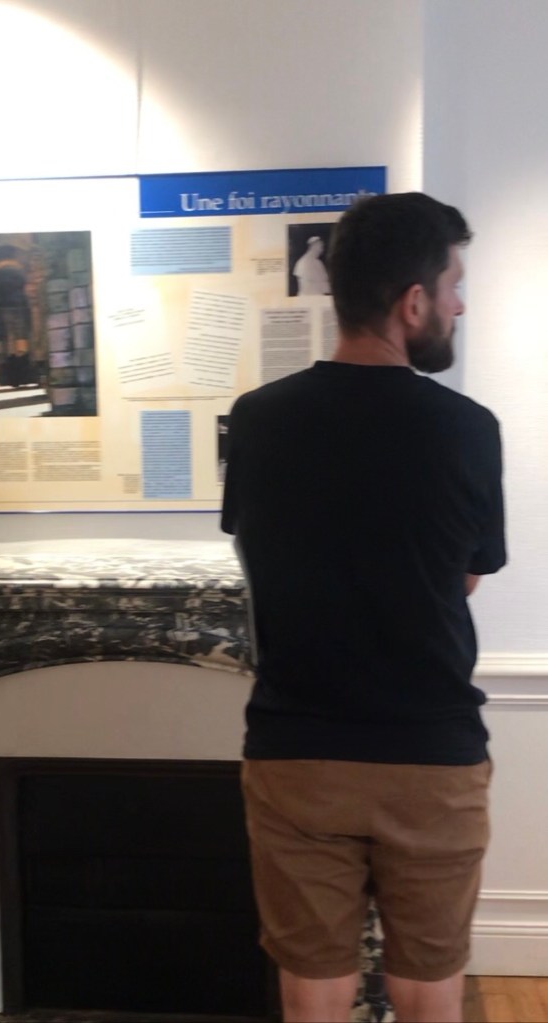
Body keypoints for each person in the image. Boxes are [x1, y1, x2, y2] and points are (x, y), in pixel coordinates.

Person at [221, 192, 506, 1023]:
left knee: (311, 988)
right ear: (412, 301)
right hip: (430, 755)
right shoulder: (466, 428)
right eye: (452, 285)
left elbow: (260, 555)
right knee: (427, 985)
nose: (458, 304)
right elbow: (464, 578)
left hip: (297, 751)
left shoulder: (256, 420)